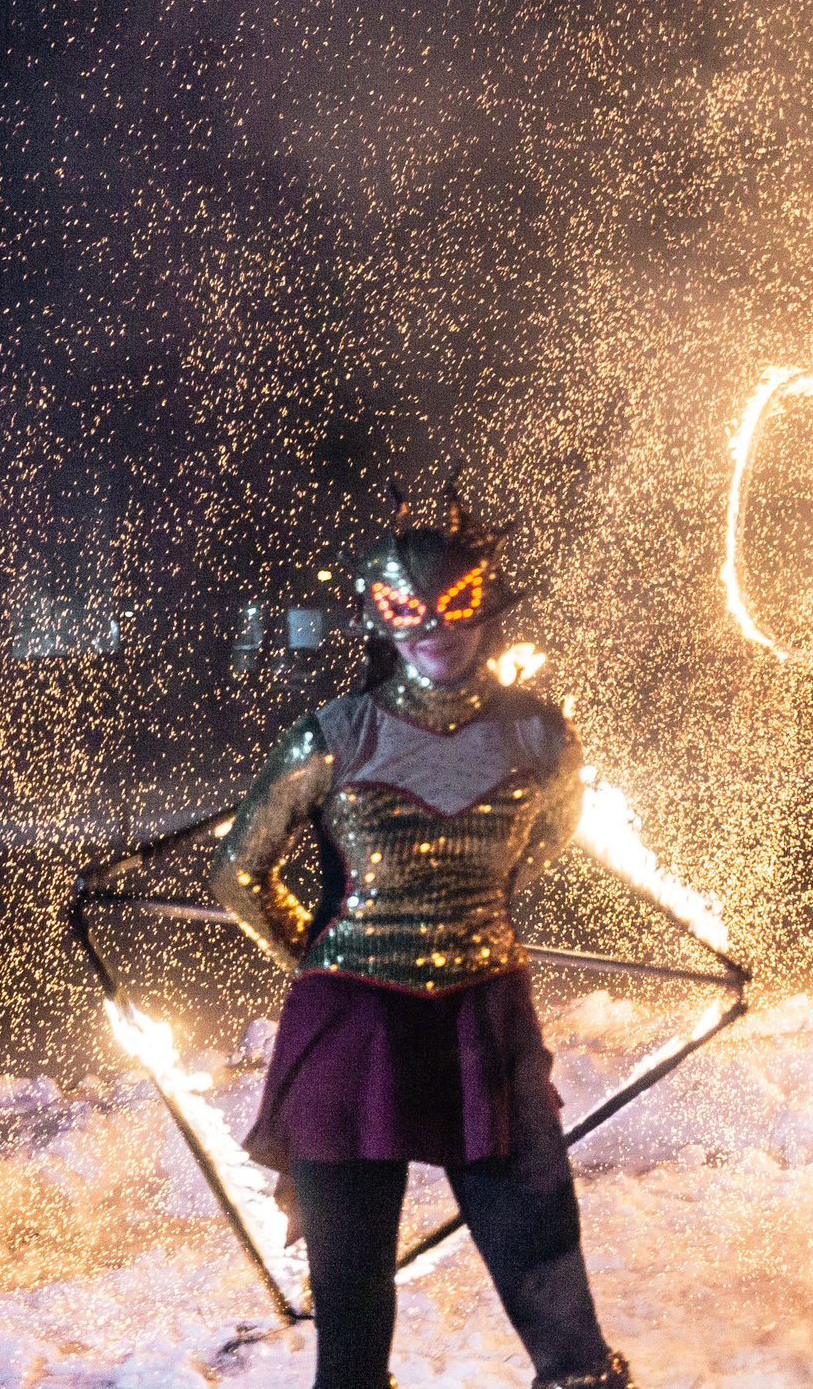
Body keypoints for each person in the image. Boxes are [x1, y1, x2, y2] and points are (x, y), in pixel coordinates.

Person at [213, 486, 629, 1389]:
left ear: (489, 603)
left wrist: (463, 925)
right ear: (379, 614)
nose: (437, 626)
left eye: (459, 602)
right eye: (410, 607)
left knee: (545, 1262)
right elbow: (238, 875)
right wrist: (329, 962)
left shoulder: (538, 732)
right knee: (352, 1310)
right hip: (353, 1032)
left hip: (486, 1019)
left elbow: (543, 847)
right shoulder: (332, 736)